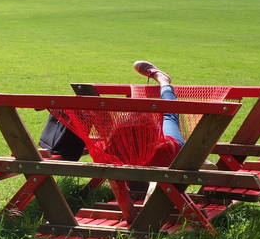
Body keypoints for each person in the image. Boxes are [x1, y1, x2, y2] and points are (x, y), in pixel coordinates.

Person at [39, 60, 184, 165]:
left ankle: (163, 83)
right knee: (169, 115)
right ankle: (164, 82)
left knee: (164, 116)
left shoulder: (107, 153)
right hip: (171, 160)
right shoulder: (168, 149)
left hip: (128, 157)